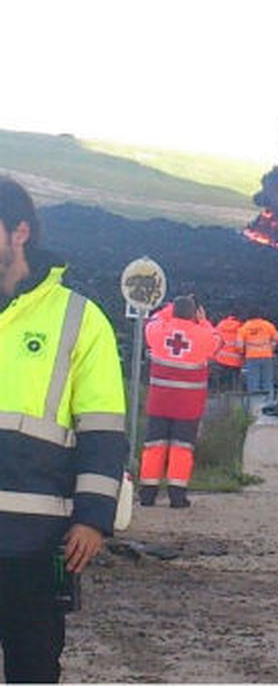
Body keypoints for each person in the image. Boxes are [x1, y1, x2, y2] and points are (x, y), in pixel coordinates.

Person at [0, 176, 128, 682]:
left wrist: (93, 519)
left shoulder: (79, 319)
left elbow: (103, 429)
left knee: (32, 670)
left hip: (34, 544)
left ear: (19, 233)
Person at [141, 295, 222, 508]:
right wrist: (202, 320)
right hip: (188, 406)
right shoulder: (203, 335)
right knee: (182, 449)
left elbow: (152, 320)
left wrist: (169, 310)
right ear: (194, 313)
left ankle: (147, 495)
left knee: (153, 447)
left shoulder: (157, 331)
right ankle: (177, 497)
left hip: (159, 402)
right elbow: (217, 341)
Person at [237, 314, 278, 406]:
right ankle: (269, 405)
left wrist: (243, 352)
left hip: (251, 358)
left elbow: (239, 346)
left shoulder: (244, 327)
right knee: (267, 382)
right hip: (267, 356)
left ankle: (255, 407)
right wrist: (272, 346)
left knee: (253, 383)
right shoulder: (267, 325)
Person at [211, 312, 244, 392]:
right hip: (236, 361)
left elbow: (214, 342)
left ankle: (221, 396)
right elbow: (241, 345)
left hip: (221, 359)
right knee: (233, 384)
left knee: (222, 382)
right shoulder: (241, 328)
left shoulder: (220, 326)